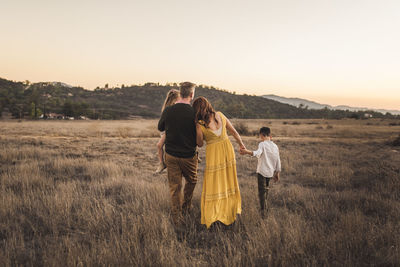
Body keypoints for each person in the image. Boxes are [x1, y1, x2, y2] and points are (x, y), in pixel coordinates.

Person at [192, 96, 245, 228]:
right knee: (228, 181)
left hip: (214, 155)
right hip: (227, 151)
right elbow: (234, 132)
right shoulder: (220, 115)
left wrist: (196, 127)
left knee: (214, 184)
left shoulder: (199, 124)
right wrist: (241, 146)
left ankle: (215, 215)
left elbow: (199, 143)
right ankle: (229, 213)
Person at [158, 82, 198, 226]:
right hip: (189, 155)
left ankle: (177, 218)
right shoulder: (194, 113)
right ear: (191, 95)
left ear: (180, 93)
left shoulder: (168, 111)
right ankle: (186, 207)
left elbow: (160, 127)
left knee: (175, 187)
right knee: (192, 181)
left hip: (171, 155)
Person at [240, 127, 281, 217]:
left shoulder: (262, 144)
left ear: (261, 135)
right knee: (266, 192)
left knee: (262, 193)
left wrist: (246, 151)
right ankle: (265, 210)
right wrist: (277, 173)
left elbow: (257, 153)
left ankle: (263, 214)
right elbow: (278, 160)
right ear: (270, 135)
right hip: (270, 173)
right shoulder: (275, 146)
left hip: (262, 172)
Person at [155, 89, 180, 174]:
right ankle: (162, 163)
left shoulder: (178, 106)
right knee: (159, 145)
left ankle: (195, 154)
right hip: (167, 130)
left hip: (173, 129)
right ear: (174, 98)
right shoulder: (167, 108)